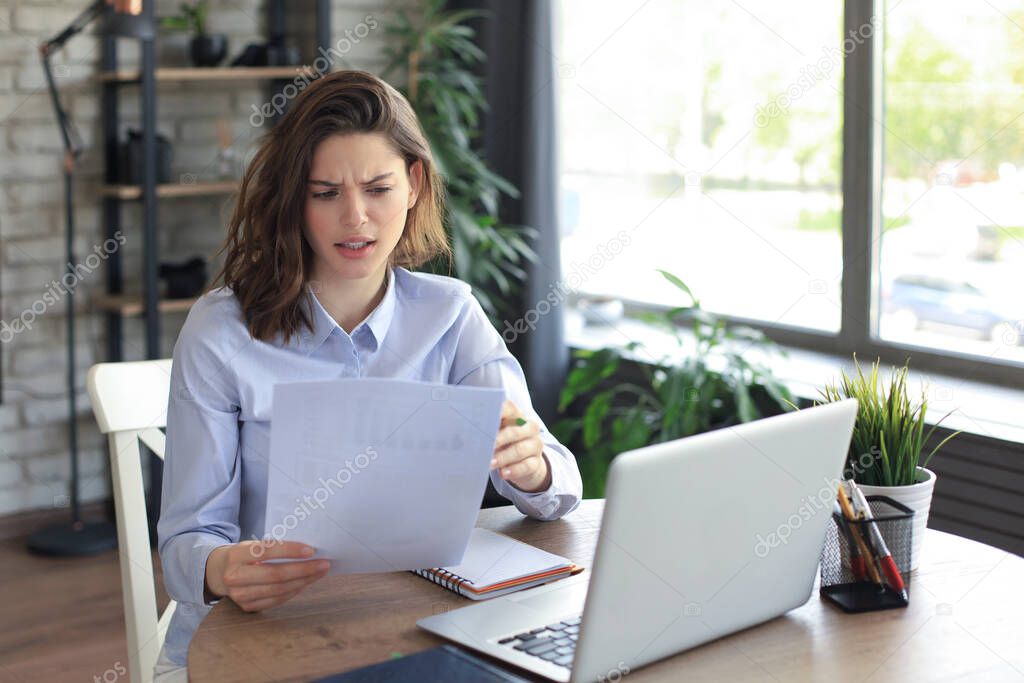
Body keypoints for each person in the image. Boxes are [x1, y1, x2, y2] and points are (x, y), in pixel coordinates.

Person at [153, 70, 583, 680]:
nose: (355, 218)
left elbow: (558, 486)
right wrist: (223, 568)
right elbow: (184, 544)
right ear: (294, 201)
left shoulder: (451, 314)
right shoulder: (221, 329)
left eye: (377, 188)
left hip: (416, 621)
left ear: (413, 186)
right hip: (266, 634)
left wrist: (531, 464)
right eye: (325, 193)